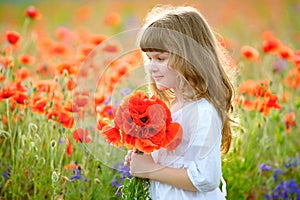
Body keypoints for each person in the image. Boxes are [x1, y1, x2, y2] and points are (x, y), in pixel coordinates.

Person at [124, 5, 235, 200]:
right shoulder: (173, 107)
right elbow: (174, 161)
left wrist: (150, 169)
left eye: (160, 58)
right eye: (149, 58)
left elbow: (205, 178)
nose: (151, 67)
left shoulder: (203, 111)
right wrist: (144, 157)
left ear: (190, 58)